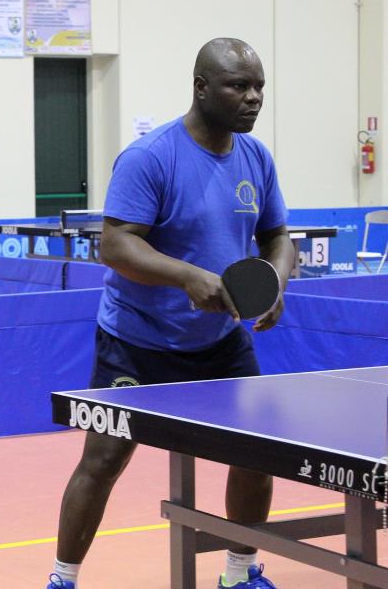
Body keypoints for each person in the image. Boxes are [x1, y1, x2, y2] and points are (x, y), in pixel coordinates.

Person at [46, 38, 294, 589]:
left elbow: (278, 235)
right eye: (238, 86)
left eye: (259, 88)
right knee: (104, 460)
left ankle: (238, 573)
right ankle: (63, 579)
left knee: (255, 454)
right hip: (136, 340)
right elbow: (115, 245)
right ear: (201, 87)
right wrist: (187, 274)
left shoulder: (256, 157)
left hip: (221, 340)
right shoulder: (151, 157)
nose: (253, 99)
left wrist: (273, 279)